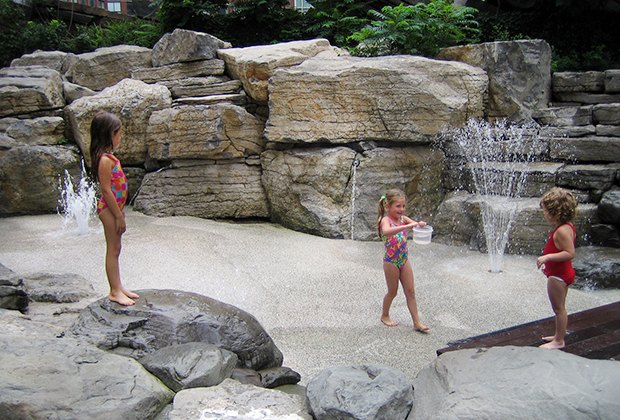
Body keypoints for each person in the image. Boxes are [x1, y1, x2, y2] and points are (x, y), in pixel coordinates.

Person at [89, 111, 139, 306]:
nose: (120, 137)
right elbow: (106, 191)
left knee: (117, 248)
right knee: (113, 249)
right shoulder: (104, 160)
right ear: (108, 135)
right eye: (118, 133)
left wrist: (120, 211)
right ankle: (114, 290)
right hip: (108, 210)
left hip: (115, 210)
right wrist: (118, 216)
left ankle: (119, 286)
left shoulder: (109, 158)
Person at [377, 188, 430, 332]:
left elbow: (415, 224)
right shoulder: (385, 220)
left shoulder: (403, 219)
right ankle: (385, 315)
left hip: (404, 260)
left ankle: (417, 322)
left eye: (403, 206)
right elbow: (387, 232)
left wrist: (420, 224)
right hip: (391, 262)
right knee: (392, 291)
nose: (402, 209)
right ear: (388, 206)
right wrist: (406, 226)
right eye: (398, 206)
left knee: (410, 291)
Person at [536, 187, 578, 349]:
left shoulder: (561, 231)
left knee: (559, 309)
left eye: (546, 211)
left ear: (555, 213)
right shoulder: (568, 226)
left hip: (558, 276)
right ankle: (558, 335)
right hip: (564, 273)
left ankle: (559, 341)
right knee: (560, 308)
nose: (544, 214)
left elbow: (570, 253)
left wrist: (547, 257)